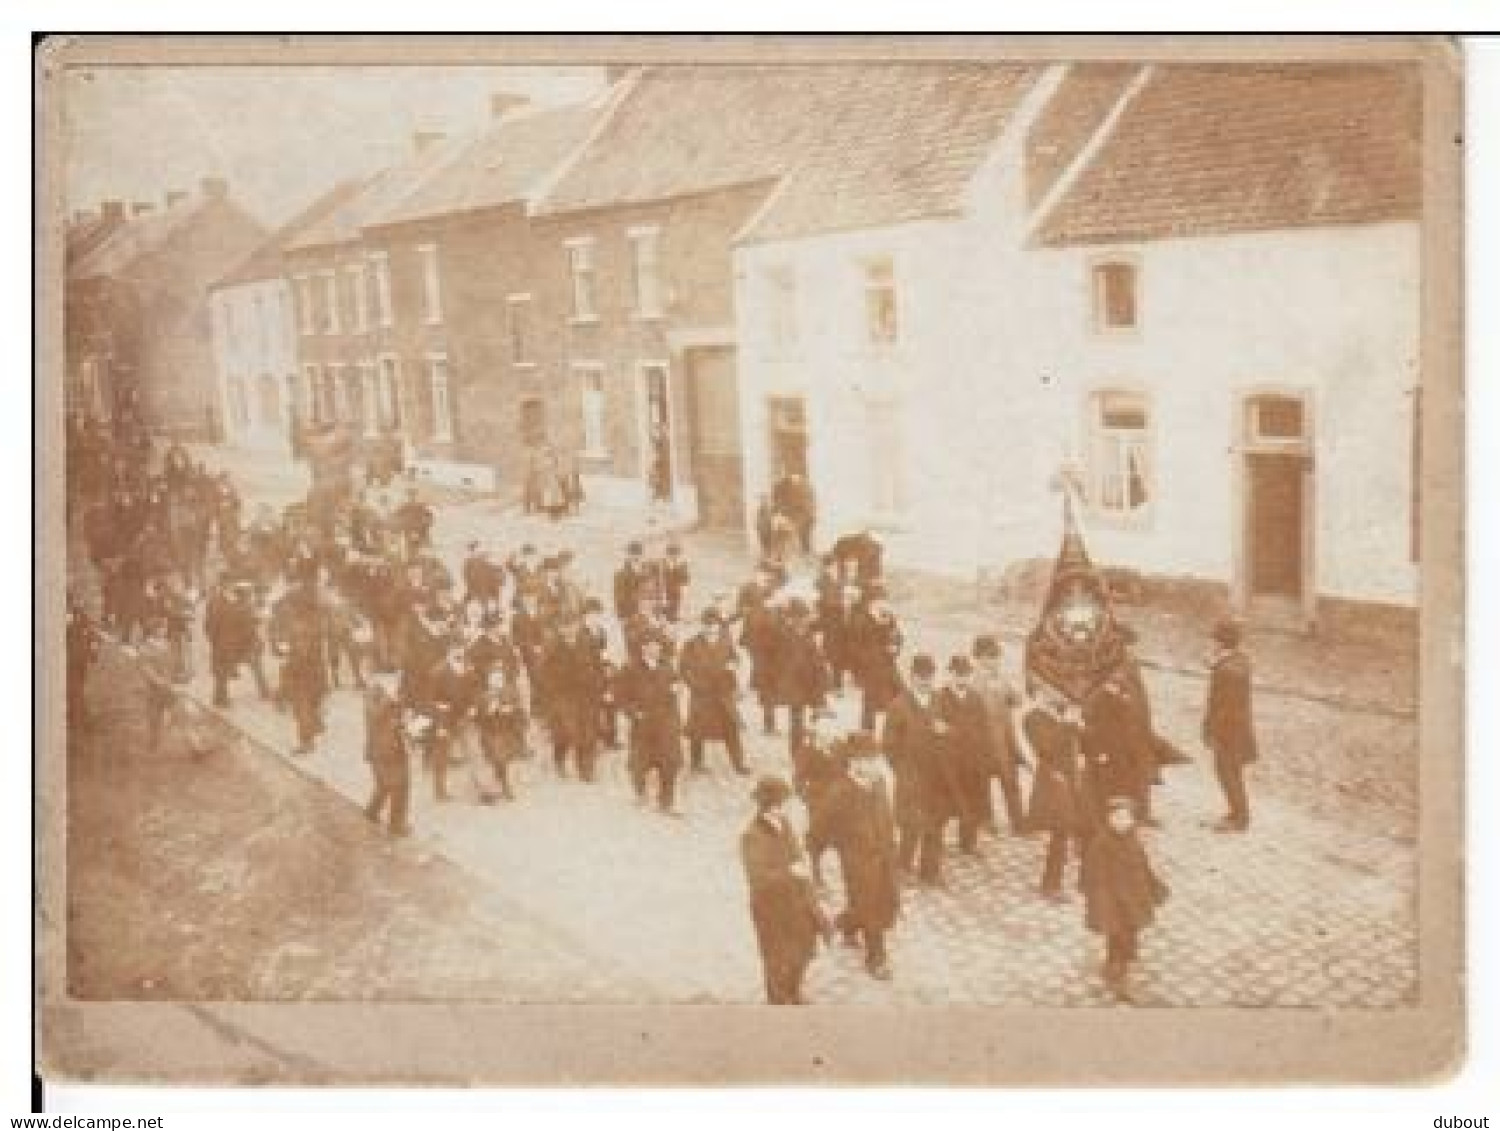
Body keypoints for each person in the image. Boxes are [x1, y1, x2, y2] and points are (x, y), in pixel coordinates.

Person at [739, 774, 829, 1005]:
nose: (790, 806)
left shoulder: (785, 825)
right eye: (785, 802)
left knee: (803, 950)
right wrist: (791, 873)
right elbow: (759, 878)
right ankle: (778, 1001)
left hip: (798, 901)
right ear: (772, 806)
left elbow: (797, 856)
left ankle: (794, 990)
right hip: (771, 909)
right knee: (777, 957)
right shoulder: (752, 836)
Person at [820, 731, 900, 981]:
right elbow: (822, 826)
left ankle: (846, 924)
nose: (873, 764)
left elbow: (887, 816)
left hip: (885, 853)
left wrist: (891, 843)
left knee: (884, 899)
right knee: (871, 904)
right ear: (853, 762)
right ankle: (876, 957)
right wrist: (844, 845)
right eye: (866, 759)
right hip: (857, 859)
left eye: (874, 758)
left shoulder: (879, 784)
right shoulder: (840, 791)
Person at [1082, 796, 1169, 1002]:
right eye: (1117, 817)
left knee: (1130, 932)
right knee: (1118, 937)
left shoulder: (1132, 839)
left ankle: (1121, 958)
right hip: (1114, 903)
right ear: (1109, 818)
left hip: (1134, 898)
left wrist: (1154, 886)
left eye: (1126, 817)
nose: (1122, 821)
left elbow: (1143, 865)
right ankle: (1118, 977)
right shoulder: (1100, 844)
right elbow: (1093, 878)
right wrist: (1103, 906)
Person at [882, 653, 958, 888]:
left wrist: (946, 731)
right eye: (920, 677)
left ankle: (930, 871)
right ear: (911, 677)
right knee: (910, 824)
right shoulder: (898, 705)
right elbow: (888, 745)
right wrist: (903, 770)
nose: (925, 682)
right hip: (910, 775)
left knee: (936, 823)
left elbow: (953, 732)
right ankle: (903, 867)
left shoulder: (939, 700)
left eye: (929, 677)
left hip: (936, 776)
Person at [1024, 689, 1089, 901]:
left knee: (1079, 827)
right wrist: (1068, 724)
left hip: (1072, 779)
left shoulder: (1060, 713)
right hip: (1052, 781)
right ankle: (1050, 885)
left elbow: (1080, 742)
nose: (1057, 695)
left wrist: (1079, 727)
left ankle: (1082, 879)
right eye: (1049, 692)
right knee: (1060, 831)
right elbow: (1047, 747)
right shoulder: (1033, 718)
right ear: (1039, 694)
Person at [617, 634, 684, 815]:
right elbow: (621, 696)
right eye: (650, 646)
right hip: (643, 723)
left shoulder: (667, 666)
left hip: (666, 722)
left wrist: (676, 689)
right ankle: (640, 792)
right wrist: (633, 712)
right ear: (642, 648)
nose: (655, 649)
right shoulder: (630, 669)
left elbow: (676, 685)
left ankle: (667, 802)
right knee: (639, 762)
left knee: (670, 762)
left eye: (657, 645)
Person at [1203, 617, 1257, 832]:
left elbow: (1224, 708)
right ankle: (1236, 812)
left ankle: (1239, 818)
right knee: (1231, 772)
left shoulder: (1227, 670)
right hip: (1237, 731)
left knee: (1227, 772)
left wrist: (1213, 732)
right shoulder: (1238, 661)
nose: (1212, 644)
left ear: (1221, 642)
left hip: (1229, 732)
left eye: (1215, 640)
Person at [971, 635, 1028, 835]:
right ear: (978, 658)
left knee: (1011, 783)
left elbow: (1018, 700)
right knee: (982, 784)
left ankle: (1019, 821)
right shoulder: (973, 680)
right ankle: (987, 820)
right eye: (989, 657)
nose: (994, 661)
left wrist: (1009, 686)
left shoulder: (1002, 678)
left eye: (996, 657)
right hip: (982, 743)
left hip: (1005, 741)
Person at [680, 609, 748, 775]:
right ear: (701, 626)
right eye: (707, 625)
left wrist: (733, 667)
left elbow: (734, 659)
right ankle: (696, 763)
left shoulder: (726, 642)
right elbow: (684, 668)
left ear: (719, 626)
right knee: (698, 730)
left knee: (731, 727)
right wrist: (695, 684)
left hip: (723, 692)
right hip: (702, 693)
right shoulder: (691, 644)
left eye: (714, 625)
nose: (710, 629)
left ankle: (738, 763)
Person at [539, 617, 606, 781]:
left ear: (578, 626)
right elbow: (544, 672)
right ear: (560, 628)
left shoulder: (587, 642)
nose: (570, 630)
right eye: (565, 626)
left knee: (588, 731)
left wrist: (599, 686)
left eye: (573, 625)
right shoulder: (553, 646)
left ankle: (586, 769)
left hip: (586, 694)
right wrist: (553, 693)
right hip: (563, 696)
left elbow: (598, 665)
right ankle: (559, 759)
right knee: (567, 732)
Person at [938, 654, 992, 854]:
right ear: (950, 674)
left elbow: (984, 729)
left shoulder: (976, 698)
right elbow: (937, 729)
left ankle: (968, 844)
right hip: (948, 763)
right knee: (944, 806)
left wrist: (985, 758)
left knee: (973, 805)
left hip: (973, 762)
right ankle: (936, 844)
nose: (962, 678)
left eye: (966, 675)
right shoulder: (940, 698)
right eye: (958, 674)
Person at [776, 598, 830, 754]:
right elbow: (790, 660)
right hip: (795, 683)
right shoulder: (785, 634)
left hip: (811, 680)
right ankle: (797, 751)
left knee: (814, 714)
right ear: (792, 619)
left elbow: (816, 656)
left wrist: (821, 672)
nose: (803, 621)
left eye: (804, 617)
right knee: (797, 719)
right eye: (799, 617)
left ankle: (808, 746)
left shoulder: (807, 633)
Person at [363, 671, 413, 837]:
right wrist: (389, 699)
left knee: (391, 785)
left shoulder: (396, 693)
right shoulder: (372, 694)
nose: (395, 682)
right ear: (380, 678)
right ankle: (395, 826)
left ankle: (372, 812)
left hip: (397, 746)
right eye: (391, 678)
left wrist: (407, 724)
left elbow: (399, 718)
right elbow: (374, 716)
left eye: (396, 678)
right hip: (381, 750)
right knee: (397, 785)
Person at [474, 666, 527, 800]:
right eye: (494, 679)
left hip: (509, 731)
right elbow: (478, 719)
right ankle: (503, 786)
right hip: (491, 732)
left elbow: (521, 712)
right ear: (489, 681)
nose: (497, 682)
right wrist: (489, 712)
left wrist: (511, 710)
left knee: (504, 760)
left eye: (500, 679)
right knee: (499, 758)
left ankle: (499, 784)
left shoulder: (511, 692)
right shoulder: (483, 696)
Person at [852, 597, 903, 732]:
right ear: (871, 605)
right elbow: (854, 645)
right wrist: (865, 660)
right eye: (877, 604)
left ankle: (892, 732)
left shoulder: (889, 619)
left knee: (895, 698)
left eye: (883, 604)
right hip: (870, 668)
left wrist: (895, 647)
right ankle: (867, 734)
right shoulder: (861, 620)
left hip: (888, 666)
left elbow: (897, 637)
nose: (881, 607)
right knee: (870, 702)